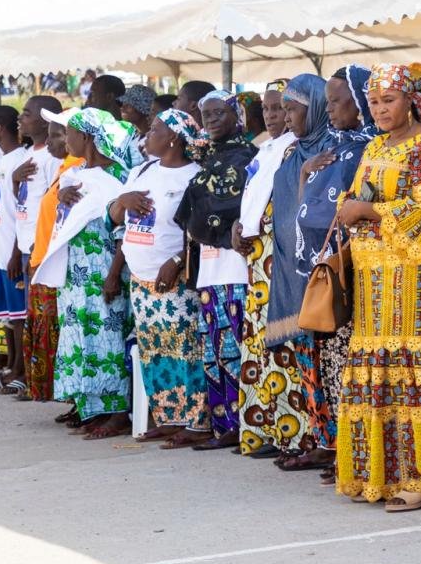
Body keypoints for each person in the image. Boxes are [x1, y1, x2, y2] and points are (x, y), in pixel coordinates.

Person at [331, 62, 421, 509]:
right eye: (375, 102)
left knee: (408, 357)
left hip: (412, 269)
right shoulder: (376, 145)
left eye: (389, 100)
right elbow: (353, 195)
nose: (380, 110)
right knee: (373, 358)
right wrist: (354, 206)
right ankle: (376, 475)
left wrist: (365, 212)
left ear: (413, 101)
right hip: (370, 268)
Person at [267, 74, 369, 476]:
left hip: (335, 268)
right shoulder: (297, 151)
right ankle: (325, 440)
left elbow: (331, 205)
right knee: (317, 359)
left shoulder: (345, 148)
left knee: (339, 357)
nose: (288, 116)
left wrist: (308, 177)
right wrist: (303, 175)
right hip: (300, 267)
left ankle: (341, 445)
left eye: (293, 108)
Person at [110, 109, 203, 442]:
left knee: (184, 349)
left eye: (155, 130)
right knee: (154, 351)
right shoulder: (142, 170)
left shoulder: (194, 175)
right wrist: (123, 199)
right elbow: (114, 217)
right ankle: (167, 416)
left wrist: (178, 260)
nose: (148, 135)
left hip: (174, 280)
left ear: (174, 138)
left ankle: (194, 420)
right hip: (141, 279)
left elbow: (198, 229)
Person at [173, 90, 258, 450]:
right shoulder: (207, 160)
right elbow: (189, 217)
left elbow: (233, 210)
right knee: (215, 355)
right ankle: (224, 426)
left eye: (220, 113)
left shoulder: (248, 157)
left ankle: (246, 427)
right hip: (208, 272)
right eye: (206, 114)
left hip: (236, 270)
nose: (211, 120)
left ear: (237, 116)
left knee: (238, 353)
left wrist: (212, 224)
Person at [45, 108, 136, 439]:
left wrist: (113, 274)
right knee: (80, 341)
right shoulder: (77, 174)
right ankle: (93, 407)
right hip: (75, 273)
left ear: (86, 137)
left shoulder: (120, 177)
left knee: (106, 340)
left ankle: (118, 413)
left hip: (105, 271)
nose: (64, 139)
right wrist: (61, 196)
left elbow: (125, 229)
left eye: (68, 133)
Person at [231, 81, 305, 458]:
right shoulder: (267, 148)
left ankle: (295, 433)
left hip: (283, 258)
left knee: (285, 340)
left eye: (282, 109)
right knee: (260, 344)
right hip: (258, 259)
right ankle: (266, 429)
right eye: (269, 109)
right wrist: (239, 226)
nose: (275, 116)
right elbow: (252, 197)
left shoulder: (298, 149)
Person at [21, 113, 77, 409]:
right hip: (42, 261)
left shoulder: (76, 170)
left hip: (55, 266)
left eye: (58, 135)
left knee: (57, 335)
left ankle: (73, 400)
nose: (53, 141)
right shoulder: (64, 169)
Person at [0, 107, 27, 381]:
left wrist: (17, 252)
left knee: (19, 315)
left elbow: (22, 212)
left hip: (12, 251)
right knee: (7, 313)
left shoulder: (21, 160)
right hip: (0, 249)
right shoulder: (3, 160)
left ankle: (21, 368)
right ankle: (10, 363)